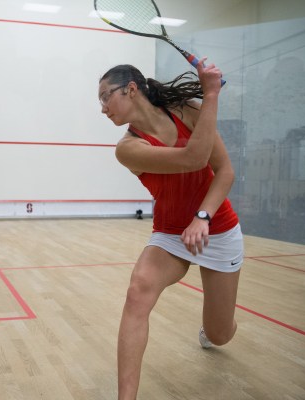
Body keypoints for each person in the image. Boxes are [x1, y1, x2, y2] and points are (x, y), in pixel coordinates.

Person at [98, 59, 243, 400]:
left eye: (106, 97)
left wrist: (203, 217)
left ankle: (212, 330)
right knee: (138, 291)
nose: (102, 108)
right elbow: (193, 158)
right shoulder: (128, 148)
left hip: (218, 228)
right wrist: (211, 95)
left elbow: (224, 172)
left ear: (130, 89)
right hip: (171, 234)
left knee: (221, 334)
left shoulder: (188, 111)